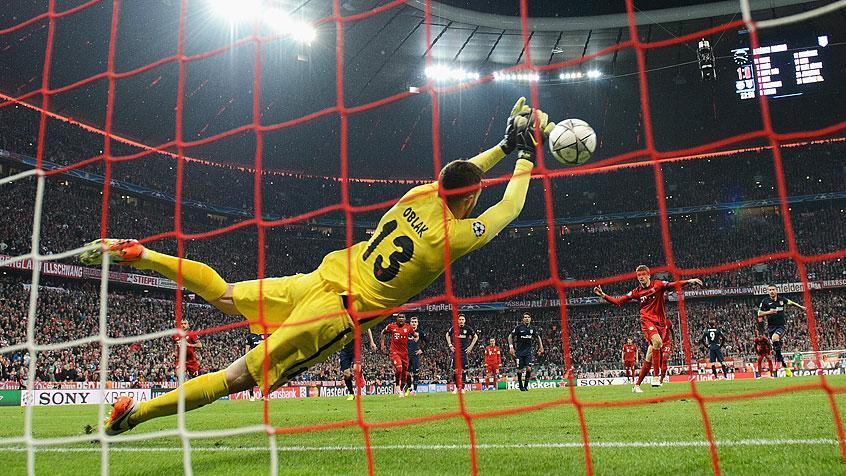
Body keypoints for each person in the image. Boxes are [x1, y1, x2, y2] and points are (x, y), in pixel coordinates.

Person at [81, 97, 553, 435]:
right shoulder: (446, 239)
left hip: (322, 277)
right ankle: (133, 416)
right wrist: (527, 155)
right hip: (336, 312)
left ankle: (145, 254)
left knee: (224, 294)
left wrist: (504, 145)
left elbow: (460, 176)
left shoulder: (419, 195)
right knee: (237, 376)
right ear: (470, 198)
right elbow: (509, 207)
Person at [594, 266, 702, 393]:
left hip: (660, 323)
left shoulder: (658, 285)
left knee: (649, 358)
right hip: (646, 320)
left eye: (643, 275)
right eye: (638, 275)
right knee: (657, 342)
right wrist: (603, 295)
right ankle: (656, 377)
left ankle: (636, 386)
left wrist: (689, 281)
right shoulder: (636, 292)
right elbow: (618, 301)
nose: (641, 277)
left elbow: (673, 285)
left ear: (648, 275)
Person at [757, 284, 805, 377]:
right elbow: (759, 313)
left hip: (781, 326)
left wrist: (801, 307)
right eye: (770, 290)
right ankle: (785, 367)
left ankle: (778, 359)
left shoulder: (782, 300)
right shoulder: (765, 301)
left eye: (773, 289)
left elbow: (792, 303)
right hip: (771, 328)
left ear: (776, 290)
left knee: (775, 338)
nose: (771, 291)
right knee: (777, 351)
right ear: (768, 291)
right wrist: (769, 312)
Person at [381, 313, 416, 397]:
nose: (401, 319)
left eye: (403, 317)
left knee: (404, 373)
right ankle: (397, 386)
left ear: (405, 319)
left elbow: (415, 335)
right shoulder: (391, 326)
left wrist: (415, 339)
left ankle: (401, 389)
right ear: (397, 318)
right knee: (399, 368)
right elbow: (383, 332)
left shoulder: (408, 327)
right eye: (399, 317)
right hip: (395, 352)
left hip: (405, 354)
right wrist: (382, 344)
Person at [337, 328, 377, 401]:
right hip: (344, 350)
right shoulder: (342, 324)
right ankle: (351, 394)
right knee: (346, 374)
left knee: (356, 368)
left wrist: (372, 342)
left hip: (356, 349)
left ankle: (361, 376)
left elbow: (367, 328)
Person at [508, 313, 544, 391]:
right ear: (523, 319)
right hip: (519, 353)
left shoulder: (532, 328)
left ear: (530, 319)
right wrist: (511, 347)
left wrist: (541, 346)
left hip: (528, 352)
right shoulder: (519, 328)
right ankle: (521, 385)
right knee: (520, 370)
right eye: (525, 317)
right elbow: (510, 336)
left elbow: (538, 337)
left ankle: (526, 385)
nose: (527, 318)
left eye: (528, 317)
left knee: (529, 368)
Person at [446, 314, 479, 394]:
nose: (461, 321)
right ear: (457, 320)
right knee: (455, 371)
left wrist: (471, 346)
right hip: (456, 352)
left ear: (465, 321)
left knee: (463, 371)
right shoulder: (454, 328)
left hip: (464, 353)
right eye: (460, 319)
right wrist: (450, 345)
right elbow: (447, 334)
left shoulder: (467, 329)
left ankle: (462, 388)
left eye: (462, 319)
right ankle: (456, 388)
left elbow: (475, 336)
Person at [406, 316, 427, 396]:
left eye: (415, 322)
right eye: (412, 322)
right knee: (407, 373)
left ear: (417, 323)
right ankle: (409, 389)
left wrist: (422, 350)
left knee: (415, 373)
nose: (414, 323)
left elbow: (427, 341)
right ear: (410, 323)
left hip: (415, 356)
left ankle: (414, 390)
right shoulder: (406, 331)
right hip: (407, 355)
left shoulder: (420, 332)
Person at [244, 333, 266, 401]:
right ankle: (251, 396)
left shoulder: (264, 334)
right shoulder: (249, 336)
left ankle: (263, 395)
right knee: (251, 378)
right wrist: (247, 359)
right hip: (253, 359)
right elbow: (247, 348)